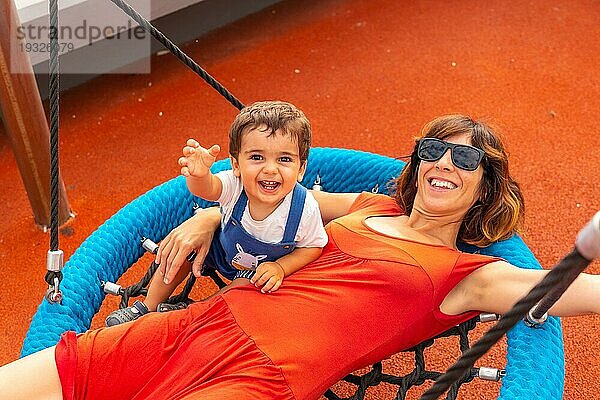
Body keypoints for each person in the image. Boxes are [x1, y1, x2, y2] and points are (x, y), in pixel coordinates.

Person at [1, 115, 599, 400]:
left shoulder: (472, 276)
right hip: (197, 325)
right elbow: (274, 196)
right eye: (435, 151)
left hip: (266, 378)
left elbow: (572, 291)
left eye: (467, 161)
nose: (445, 164)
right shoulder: (366, 206)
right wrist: (210, 213)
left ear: (485, 188)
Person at [105, 101, 328, 326]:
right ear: (236, 164)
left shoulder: (304, 208)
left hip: (259, 274)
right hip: (221, 251)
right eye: (257, 157)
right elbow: (208, 189)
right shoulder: (236, 184)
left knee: (242, 288)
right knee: (182, 249)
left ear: (301, 169)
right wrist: (199, 175)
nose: (270, 169)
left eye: (284, 159)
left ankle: (192, 314)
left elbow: (313, 247)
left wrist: (281, 267)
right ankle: (146, 306)